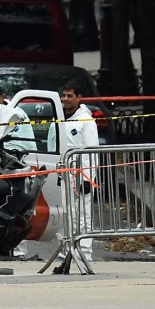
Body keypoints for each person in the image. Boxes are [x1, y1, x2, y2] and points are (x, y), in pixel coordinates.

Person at [47, 80, 99, 261]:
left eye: (70, 96)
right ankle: (67, 251)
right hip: (63, 174)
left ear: (79, 98)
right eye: (64, 95)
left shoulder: (86, 120)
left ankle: (85, 253)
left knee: (83, 215)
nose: (66, 99)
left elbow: (91, 152)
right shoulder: (60, 118)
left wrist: (88, 178)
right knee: (65, 214)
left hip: (80, 175)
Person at [0, 83, 35, 258]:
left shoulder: (17, 114)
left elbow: (24, 143)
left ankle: (20, 249)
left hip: (15, 166)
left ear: (2, 97)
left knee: (18, 207)